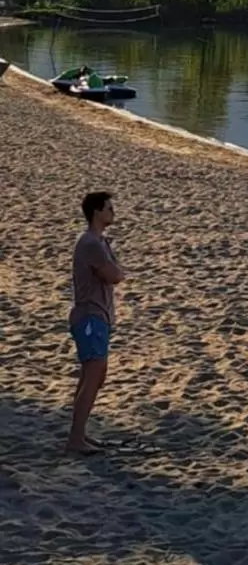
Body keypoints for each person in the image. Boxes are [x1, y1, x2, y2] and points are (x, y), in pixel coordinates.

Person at [67, 191, 125, 454]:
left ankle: (80, 435)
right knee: (92, 376)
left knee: (94, 376)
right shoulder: (91, 243)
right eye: (109, 208)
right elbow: (115, 275)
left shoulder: (100, 242)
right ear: (96, 212)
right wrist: (114, 268)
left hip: (98, 316)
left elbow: (116, 272)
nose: (113, 212)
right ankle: (76, 439)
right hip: (90, 315)